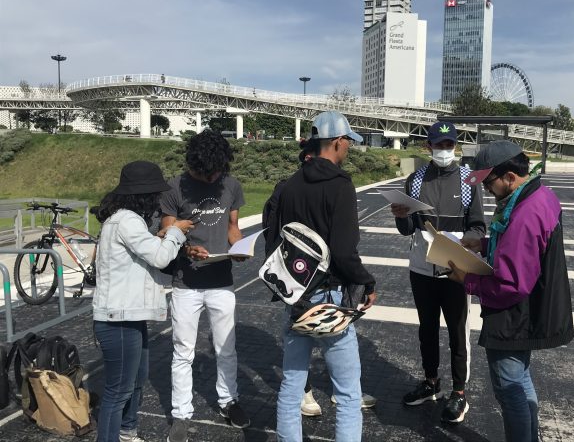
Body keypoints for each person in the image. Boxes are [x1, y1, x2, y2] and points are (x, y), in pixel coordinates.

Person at [448, 140, 574, 442]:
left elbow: (511, 283)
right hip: (529, 310)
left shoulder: (524, 214)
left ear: (508, 176)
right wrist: (484, 243)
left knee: (510, 391)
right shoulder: (538, 195)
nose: (486, 190)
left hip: (514, 317)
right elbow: (522, 251)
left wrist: (465, 278)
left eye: (488, 182)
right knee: (521, 382)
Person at [271, 111, 376, 441]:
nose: (348, 150)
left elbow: (275, 240)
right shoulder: (340, 186)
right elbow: (344, 252)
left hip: (297, 297)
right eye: (347, 143)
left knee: (290, 389)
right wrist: (367, 282)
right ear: (337, 142)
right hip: (330, 301)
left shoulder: (289, 185)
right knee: (347, 394)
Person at [390, 121, 485, 424]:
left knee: (458, 332)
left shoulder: (469, 181)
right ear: (428, 146)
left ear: (455, 145)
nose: (444, 150)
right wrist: (401, 217)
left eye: (449, 145)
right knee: (426, 329)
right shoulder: (415, 179)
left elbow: (479, 226)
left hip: (455, 270)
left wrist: (462, 241)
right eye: (438, 145)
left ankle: (459, 393)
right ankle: (431, 382)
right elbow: (407, 230)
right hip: (421, 269)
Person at [92, 161, 192, 442]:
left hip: (129, 315)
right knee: (118, 391)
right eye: (155, 195)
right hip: (118, 319)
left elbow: (143, 251)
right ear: (145, 195)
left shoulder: (125, 220)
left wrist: (159, 236)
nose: (159, 201)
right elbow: (159, 258)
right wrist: (176, 231)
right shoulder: (127, 220)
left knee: (136, 381)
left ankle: (127, 432)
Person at [162, 130, 250, 442]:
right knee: (183, 351)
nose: (213, 177)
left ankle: (228, 401)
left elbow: (232, 227)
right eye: (207, 173)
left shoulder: (231, 184)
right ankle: (181, 414)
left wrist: (239, 248)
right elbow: (164, 233)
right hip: (186, 282)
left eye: (218, 172)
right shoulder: (175, 187)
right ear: (194, 165)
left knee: (226, 347)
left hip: (221, 281)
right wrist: (186, 249)